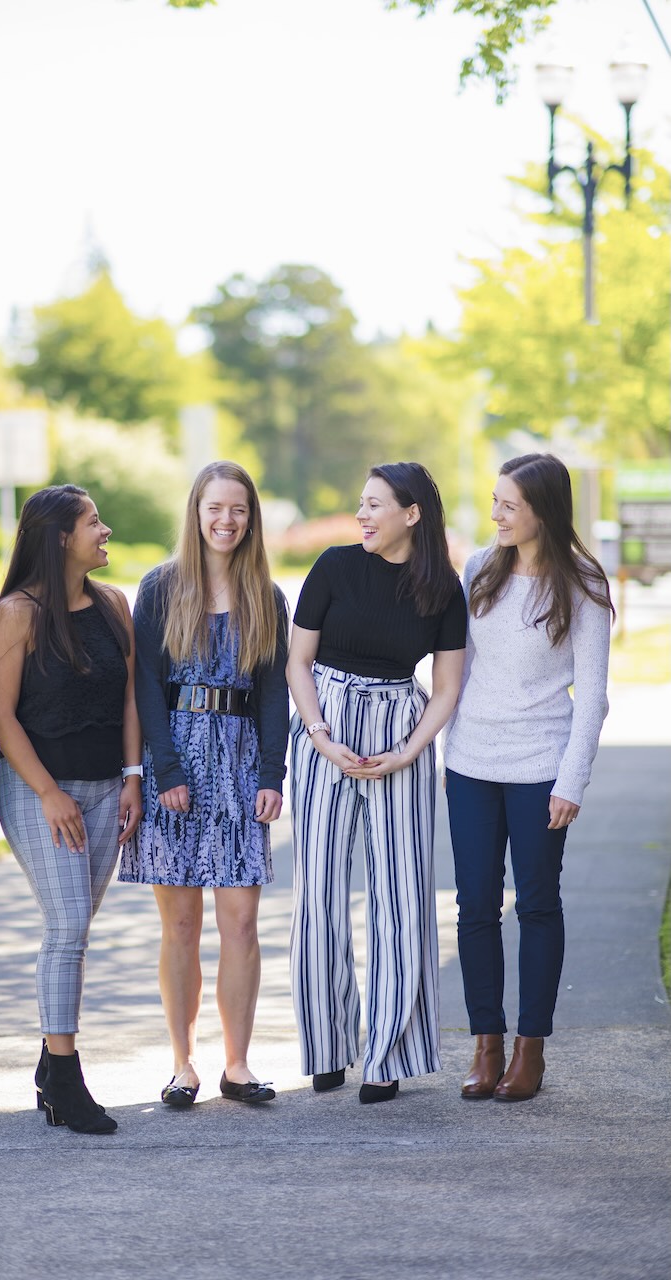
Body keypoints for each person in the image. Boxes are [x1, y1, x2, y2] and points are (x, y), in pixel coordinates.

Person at [287, 462, 467, 1104]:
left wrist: (408, 753)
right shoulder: (334, 567)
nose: (362, 515)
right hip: (325, 726)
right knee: (318, 895)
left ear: (411, 513)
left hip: (401, 730)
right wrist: (319, 735)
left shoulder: (443, 590)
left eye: (374, 505)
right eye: (360, 504)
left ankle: (388, 1053)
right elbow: (298, 661)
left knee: (403, 897)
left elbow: (446, 689)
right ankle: (328, 1045)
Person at [118, 461, 288, 1107]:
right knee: (182, 926)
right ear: (195, 512)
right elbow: (145, 685)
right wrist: (163, 770)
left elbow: (273, 693)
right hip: (176, 765)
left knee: (240, 923)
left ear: (251, 518)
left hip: (240, 768)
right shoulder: (161, 587)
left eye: (238, 509)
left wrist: (271, 773)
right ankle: (183, 1064)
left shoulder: (266, 595)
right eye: (215, 507)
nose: (226, 520)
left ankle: (237, 1065)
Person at [445, 453, 613, 1102]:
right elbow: (458, 669)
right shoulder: (479, 570)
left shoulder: (583, 584)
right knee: (475, 906)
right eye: (494, 501)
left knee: (537, 904)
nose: (496, 515)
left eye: (508, 505)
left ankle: (529, 1048)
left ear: (543, 511)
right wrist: (447, 750)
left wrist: (572, 780)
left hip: (541, 767)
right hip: (471, 763)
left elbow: (592, 694)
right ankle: (485, 1045)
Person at [0, 485, 142, 1135]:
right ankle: (67, 1083)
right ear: (58, 538)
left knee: (74, 929)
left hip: (108, 790)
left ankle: (51, 1066)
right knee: (69, 925)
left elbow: (130, 695)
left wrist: (133, 776)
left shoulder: (113, 604)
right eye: (93, 522)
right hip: (37, 791)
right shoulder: (16, 614)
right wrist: (49, 792)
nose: (105, 531)